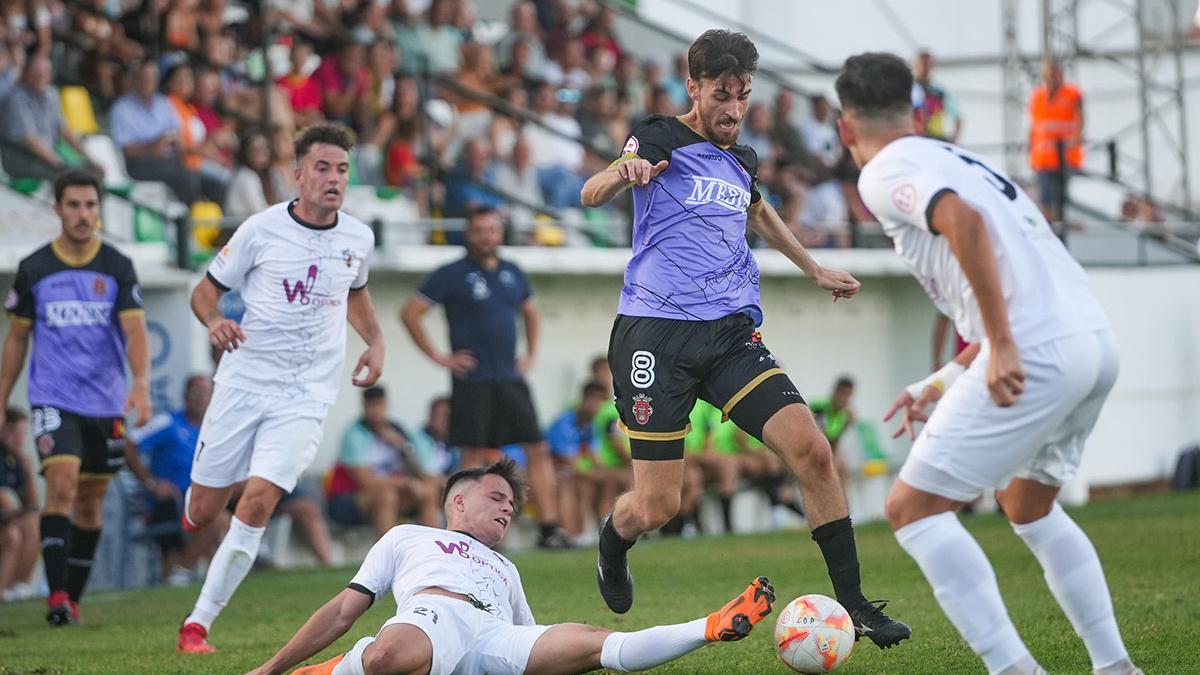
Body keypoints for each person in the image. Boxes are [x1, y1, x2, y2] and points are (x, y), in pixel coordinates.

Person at [578, 29, 909, 648]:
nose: (734, 108)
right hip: (655, 338)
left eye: (744, 95)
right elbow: (590, 192)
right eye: (722, 94)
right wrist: (624, 171)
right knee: (657, 508)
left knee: (812, 451)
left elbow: (757, 211)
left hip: (730, 334)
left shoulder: (742, 158)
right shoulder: (658, 137)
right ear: (694, 88)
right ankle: (613, 538)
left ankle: (857, 605)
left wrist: (813, 268)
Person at [836, 52, 1140, 675]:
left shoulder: (882, 172)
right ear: (917, 110)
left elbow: (962, 222)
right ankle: (1116, 668)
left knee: (911, 510)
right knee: (1027, 504)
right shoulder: (960, 158)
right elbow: (1016, 271)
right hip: (1092, 341)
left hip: (1035, 350)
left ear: (845, 128)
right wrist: (948, 376)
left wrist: (1000, 345)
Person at [247, 458, 776, 675]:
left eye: (511, 506)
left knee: (594, 642)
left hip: (494, 640)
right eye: (497, 497)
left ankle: (709, 626)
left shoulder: (507, 569)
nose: (507, 509)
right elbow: (344, 609)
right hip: (436, 615)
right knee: (386, 657)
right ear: (457, 502)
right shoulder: (409, 536)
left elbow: (528, 636)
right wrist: (271, 667)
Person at [177, 123, 384, 654]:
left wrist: (375, 341)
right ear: (297, 175)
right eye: (322, 167)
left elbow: (355, 293)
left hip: (305, 394)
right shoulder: (259, 230)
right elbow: (204, 292)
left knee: (259, 501)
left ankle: (197, 624)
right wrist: (215, 322)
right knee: (204, 509)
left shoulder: (358, 237)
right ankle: (199, 506)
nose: (334, 178)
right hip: (244, 382)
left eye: (341, 169)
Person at [0, 169, 152, 625]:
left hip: (105, 404)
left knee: (90, 501)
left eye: (90, 205)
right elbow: (17, 341)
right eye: (74, 205)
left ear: (98, 209)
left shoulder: (117, 266)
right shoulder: (34, 268)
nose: (83, 215)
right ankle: (57, 598)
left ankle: (74, 600)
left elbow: (134, 330)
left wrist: (141, 383)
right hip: (53, 399)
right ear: (58, 209)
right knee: (61, 485)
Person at [400, 206, 570, 550]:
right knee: (473, 457)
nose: (486, 236)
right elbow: (410, 314)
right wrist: (439, 357)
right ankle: (466, 535)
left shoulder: (512, 272)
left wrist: (531, 354)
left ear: (500, 233)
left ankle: (549, 529)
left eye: (492, 230)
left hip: (509, 377)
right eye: (479, 230)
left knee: (537, 448)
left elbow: (531, 312)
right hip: (472, 380)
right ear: (468, 234)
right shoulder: (451, 273)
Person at [124, 375, 230, 586]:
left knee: (223, 519)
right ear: (185, 396)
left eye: (206, 393)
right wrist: (152, 483)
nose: (201, 399)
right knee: (217, 519)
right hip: (169, 501)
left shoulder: (217, 429)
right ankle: (183, 571)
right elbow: (129, 443)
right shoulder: (167, 422)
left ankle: (200, 579)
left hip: (202, 496)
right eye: (196, 393)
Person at [327, 386, 443, 535]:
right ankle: (388, 556)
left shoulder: (396, 429)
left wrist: (403, 447)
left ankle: (433, 551)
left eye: (379, 405)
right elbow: (365, 481)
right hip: (349, 498)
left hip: (394, 493)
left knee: (428, 490)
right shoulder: (355, 433)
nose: (376, 411)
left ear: (387, 405)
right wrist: (406, 483)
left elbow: (419, 471)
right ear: (364, 406)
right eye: (371, 405)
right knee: (386, 495)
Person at [0, 53, 99, 179]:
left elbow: (65, 131)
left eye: (44, 73)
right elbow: (30, 141)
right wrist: (61, 164)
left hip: (46, 156)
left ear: (51, 76)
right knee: (71, 178)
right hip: (19, 157)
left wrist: (90, 159)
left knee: (89, 174)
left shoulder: (51, 94)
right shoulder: (16, 98)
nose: (40, 77)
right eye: (36, 73)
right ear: (25, 73)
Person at [1028, 58, 1084, 233]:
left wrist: (1076, 139)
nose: (1052, 79)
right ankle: (1049, 228)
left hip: (1063, 158)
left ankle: (1059, 227)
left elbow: (1079, 120)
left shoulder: (1072, 95)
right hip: (1042, 158)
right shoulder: (1038, 96)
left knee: (1059, 199)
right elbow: (1034, 125)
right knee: (1045, 199)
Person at [0, 407, 40, 601]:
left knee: (36, 523)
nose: (20, 439)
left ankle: (18, 588)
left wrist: (29, 472)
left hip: (6, 519)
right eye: (14, 433)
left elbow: (31, 503)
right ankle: (3, 589)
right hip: (5, 522)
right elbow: (6, 502)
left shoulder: (14, 460)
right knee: (12, 535)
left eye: (23, 433)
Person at [808, 376, 856, 491]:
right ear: (835, 392)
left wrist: (845, 426)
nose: (845, 400)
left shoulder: (843, 415)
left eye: (849, 396)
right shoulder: (819, 407)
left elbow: (834, 445)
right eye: (843, 395)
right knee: (837, 464)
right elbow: (820, 439)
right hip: (810, 450)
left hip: (826, 452)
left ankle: (844, 504)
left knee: (841, 464)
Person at [911, 50, 962, 143]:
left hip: (936, 139)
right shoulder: (910, 90)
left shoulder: (940, 92)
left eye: (928, 65)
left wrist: (953, 139)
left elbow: (958, 117)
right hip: (916, 139)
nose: (924, 68)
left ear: (932, 66)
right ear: (915, 65)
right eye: (921, 64)